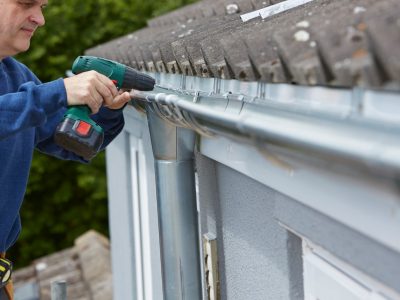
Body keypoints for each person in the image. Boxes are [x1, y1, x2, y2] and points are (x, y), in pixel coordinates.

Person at [0, 0, 132, 298]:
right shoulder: (32, 94)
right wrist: (58, 92)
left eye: (42, 6)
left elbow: (73, 144)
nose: (39, 19)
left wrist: (105, 109)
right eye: (26, 4)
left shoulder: (16, 77)